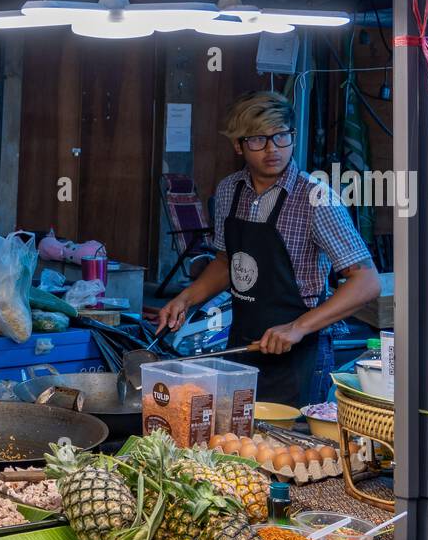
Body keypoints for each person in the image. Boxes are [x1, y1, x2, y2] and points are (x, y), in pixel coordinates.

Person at [156, 91, 381, 406]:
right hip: (242, 345)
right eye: (258, 140)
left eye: (281, 136)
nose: (272, 149)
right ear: (239, 145)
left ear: (292, 137)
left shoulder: (315, 198)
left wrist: (297, 328)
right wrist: (186, 298)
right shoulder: (229, 190)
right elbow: (227, 261)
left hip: (300, 356)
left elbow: (367, 282)